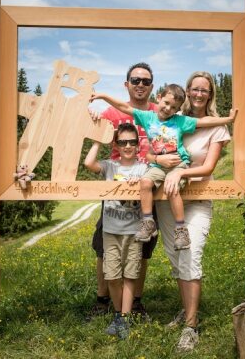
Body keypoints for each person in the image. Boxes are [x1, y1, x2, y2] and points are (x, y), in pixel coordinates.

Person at [89, 84, 236, 253]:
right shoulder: (147, 117)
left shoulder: (180, 121)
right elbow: (124, 107)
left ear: (178, 110)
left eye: (174, 107)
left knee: (172, 188)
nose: (168, 109)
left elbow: (203, 121)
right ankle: (147, 221)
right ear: (159, 97)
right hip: (158, 165)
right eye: (166, 103)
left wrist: (228, 120)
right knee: (144, 182)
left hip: (177, 163)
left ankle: (181, 230)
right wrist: (102, 95)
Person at [154, 72, 231, 352]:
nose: (199, 94)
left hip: (198, 200)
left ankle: (191, 326)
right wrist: (157, 159)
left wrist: (183, 171)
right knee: (176, 257)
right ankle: (185, 310)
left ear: (210, 95)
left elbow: (208, 167)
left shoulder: (217, 128)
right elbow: (149, 144)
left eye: (204, 90)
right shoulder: (173, 119)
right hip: (167, 200)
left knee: (191, 254)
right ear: (187, 91)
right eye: (194, 89)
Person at [87, 63, 160, 321]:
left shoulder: (158, 113)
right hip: (116, 189)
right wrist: (92, 116)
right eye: (135, 80)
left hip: (149, 189)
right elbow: (88, 127)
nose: (140, 85)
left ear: (152, 86)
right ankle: (102, 299)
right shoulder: (111, 112)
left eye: (145, 81)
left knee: (141, 249)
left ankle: (135, 302)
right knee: (103, 248)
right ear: (126, 83)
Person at [84, 123, 148, 339]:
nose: (128, 146)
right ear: (116, 145)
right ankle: (120, 314)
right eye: (122, 142)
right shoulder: (110, 167)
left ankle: (124, 318)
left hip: (134, 232)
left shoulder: (144, 168)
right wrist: (97, 141)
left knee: (130, 275)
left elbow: (151, 184)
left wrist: (138, 182)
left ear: (138, 145)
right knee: (111, 276)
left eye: (132, 142)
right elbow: (88, 163)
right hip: (110, 231)